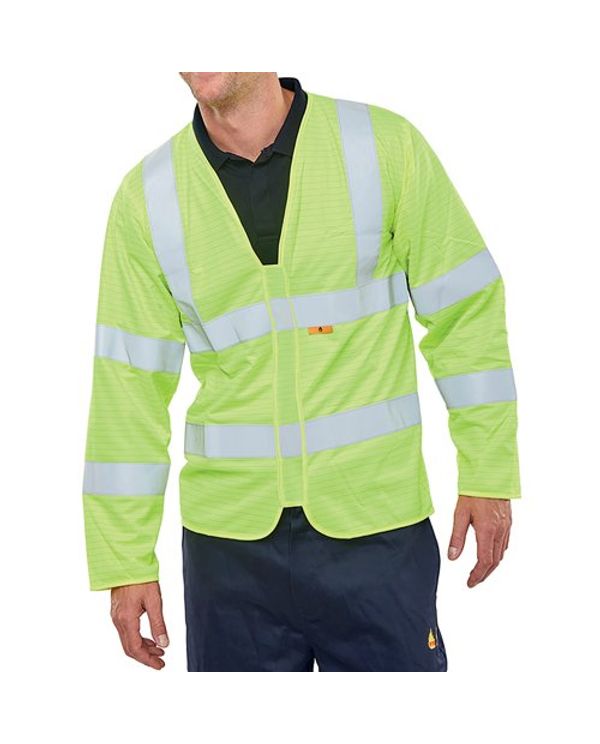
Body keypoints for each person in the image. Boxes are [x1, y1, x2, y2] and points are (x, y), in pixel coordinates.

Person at [82, 72, 520, 672]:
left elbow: (465, 312)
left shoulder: (381, 146)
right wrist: (125, 559)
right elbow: (127, 387)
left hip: (376, 531)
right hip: (228, 552)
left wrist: (488, 472)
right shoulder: (148, 197)